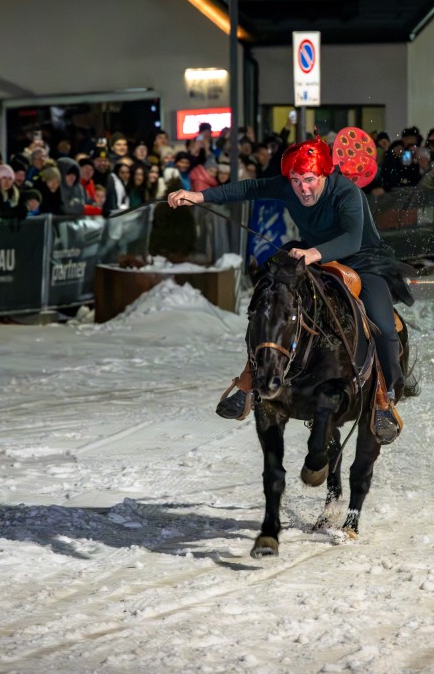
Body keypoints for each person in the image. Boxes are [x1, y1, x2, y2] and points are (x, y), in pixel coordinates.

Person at [166, 137, 413, 445]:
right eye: (296, 181)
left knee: (383, 326)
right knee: (271, 300)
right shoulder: (288, 186)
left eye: (309, 180)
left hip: (361, 259)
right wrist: (199, 195)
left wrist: (313, 254)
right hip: (311, 252)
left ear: (323, 174)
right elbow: (249, 188)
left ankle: (384, 398)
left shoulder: (347, 192)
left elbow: (351, 239)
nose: (302, 188)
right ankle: (248, 381)